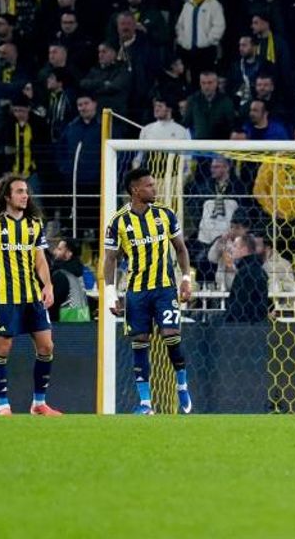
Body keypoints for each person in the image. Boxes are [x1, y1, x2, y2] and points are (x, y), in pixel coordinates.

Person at [104, 167, 194, 414]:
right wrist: (111, 294)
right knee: (139, 341)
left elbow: (181, 248)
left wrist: (186, 279)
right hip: (136, 291)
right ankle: (145, 403)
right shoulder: (118, 221)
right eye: (149, 185)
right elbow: (110, 259)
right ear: (135, 190)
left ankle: (182, 385)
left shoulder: (165, 214)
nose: (155, 189)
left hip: (164, 288)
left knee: (171, 336)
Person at [0, 174, 60, 416]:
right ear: (7, 196)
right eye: (20, 191)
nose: (25, 196)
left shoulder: (34, 224)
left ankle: (39, 403)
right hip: (4, 296)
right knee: (3, 349)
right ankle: (3, 405)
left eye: (26, 191)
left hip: (32, 296)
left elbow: (40, 259)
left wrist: (48, 285)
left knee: (47, 346)